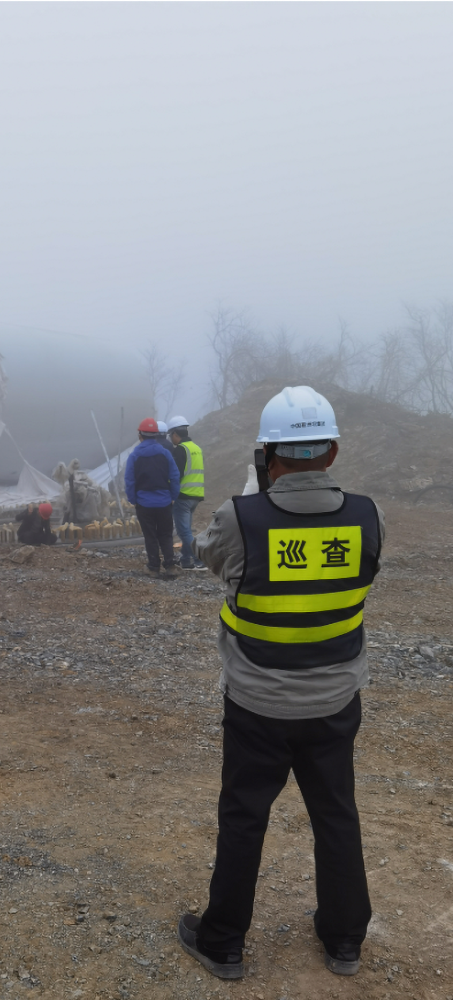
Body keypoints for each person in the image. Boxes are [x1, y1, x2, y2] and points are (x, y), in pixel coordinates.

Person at [177, 386, 384, 980]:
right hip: (335, 700)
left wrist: (249, 504)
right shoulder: (368, 515)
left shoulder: (240, 518)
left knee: (244, 817)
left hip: (257, 704)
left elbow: (210, 558)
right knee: (336, 815)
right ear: (333, 450)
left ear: (266, 456)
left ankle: (223, 943)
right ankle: (344, 940)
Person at [124, 417, 181, 576]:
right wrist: (172, 496)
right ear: (156, 435)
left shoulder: (134, 456)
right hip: (164, 502)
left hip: (144, 504)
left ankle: (154, 567)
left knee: (150, 536)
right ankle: (170, 566)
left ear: (140, 436)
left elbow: (129, 480)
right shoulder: (165, 454)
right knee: (166, 534)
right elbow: (175, 477)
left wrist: (133, 500)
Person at [166, 415, 206, 570]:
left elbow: (176, 475)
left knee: (184, 532)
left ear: (176, 434)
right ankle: (185, 560)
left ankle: (199, 561)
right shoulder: (197, 448)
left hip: (183, 495)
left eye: (171, 436)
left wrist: (169, 489)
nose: (171, 439)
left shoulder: (181, 450)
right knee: (186, 530)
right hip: (196, 495)